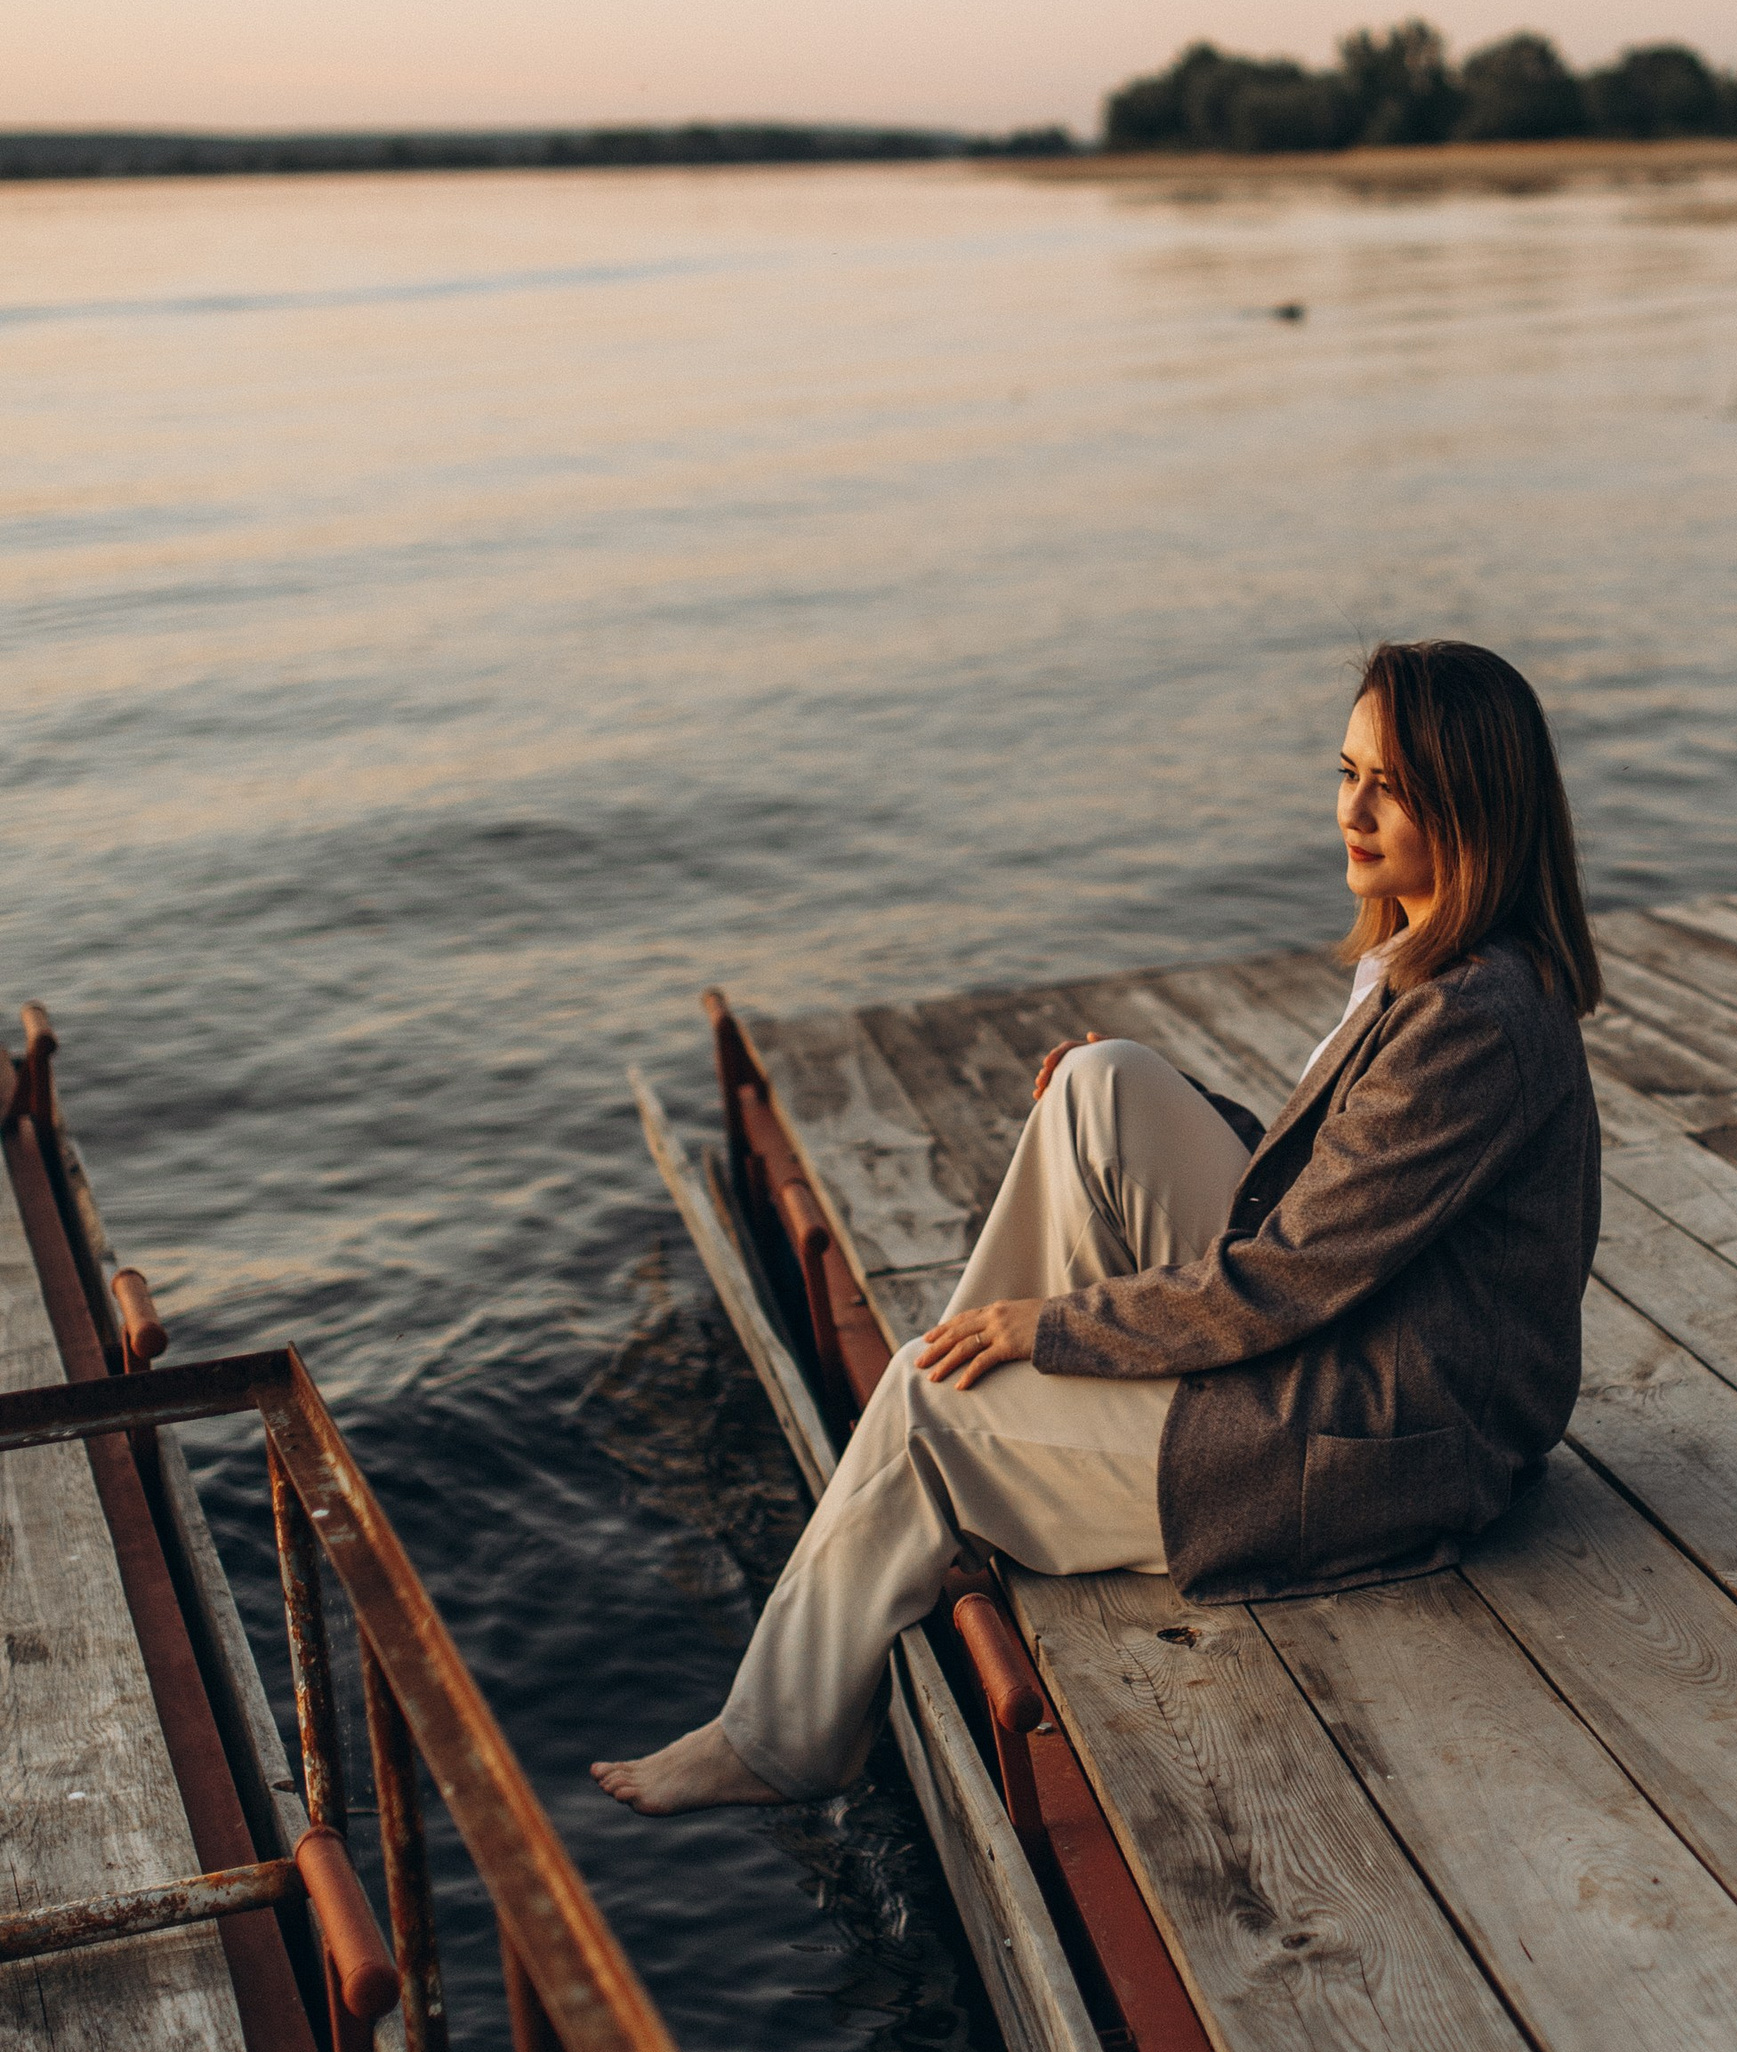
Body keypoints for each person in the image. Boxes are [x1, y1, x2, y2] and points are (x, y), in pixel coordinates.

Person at [593, 639, 1603, 1814]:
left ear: (1475, 806)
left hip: (1389, 1438)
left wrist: (1052, 1326)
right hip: (1370, 1339)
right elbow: (1344, 1189)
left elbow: (1285, 1278)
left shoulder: (1470, 1018)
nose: (1353, 811)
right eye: (1347, 772)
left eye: (1396, 788)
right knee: (1102, 1086)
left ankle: (780, 1738)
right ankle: (982, 1443)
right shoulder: (1427, 957)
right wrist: (1172, 1122)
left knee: (923, 1399)